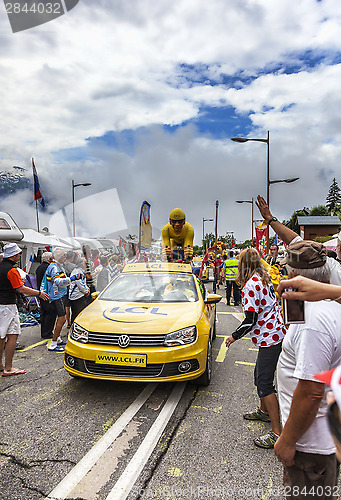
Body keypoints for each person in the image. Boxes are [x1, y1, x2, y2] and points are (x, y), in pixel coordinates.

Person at [274, 241, 341, 499]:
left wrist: (288, 441)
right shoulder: (331, 307)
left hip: (310, 447)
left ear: (292, 275)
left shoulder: (314, 320)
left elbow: (311, 392)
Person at [225, 247, 286, 448]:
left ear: (242, 265)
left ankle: (277, 434)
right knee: (259, 375)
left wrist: (233, 337)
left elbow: (249, 320)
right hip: (274, 333)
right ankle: (263, 412)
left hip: (270, 337)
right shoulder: (264, 276)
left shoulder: (251, 284)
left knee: (264, 382)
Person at [256, 195, 341, 285]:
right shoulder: (334, 269)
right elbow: (299, 243)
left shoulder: (334, 269)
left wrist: (270, 219)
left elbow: (299, 244)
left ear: (339, 248)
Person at [0, 243, 48, 376]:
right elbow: (20, 288)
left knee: (1, 336)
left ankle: (1, 364)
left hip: (1, 304)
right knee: (12, 335)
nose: (20, 255)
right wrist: (38, 293)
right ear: (14, 255)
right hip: (8, 306)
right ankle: (8, 368)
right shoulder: (12, 270)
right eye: (19, 254)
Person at [42, 247, 82, 352]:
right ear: (59, 256)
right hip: (57, 296)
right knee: (62, 319)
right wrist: (73, 278)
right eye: (64, 255)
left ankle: (58, 339)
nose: (65, 257)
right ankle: (53, 343)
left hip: (59, 295)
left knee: (60, 318)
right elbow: (58, 281)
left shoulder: (56, 266)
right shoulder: (54, 267)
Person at [35, 251, 54, 339]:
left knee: (44, 313)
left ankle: (44, 332)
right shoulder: (49, 268)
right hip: (47, 293)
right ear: (50, 259)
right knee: (50, 313)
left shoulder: (39, 267)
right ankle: (47, 332)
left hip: (40, 292)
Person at [68, 257, 90, 324]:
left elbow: (83, 283)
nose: (87, 265)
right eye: (86, 263)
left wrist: (87, 289)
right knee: (78, 314)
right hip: (77, 296)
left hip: (76, 295)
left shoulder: (78, 271)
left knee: (75, 314)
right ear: (81, 264)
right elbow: (80, 284)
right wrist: (86, 291)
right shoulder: (78, 272)